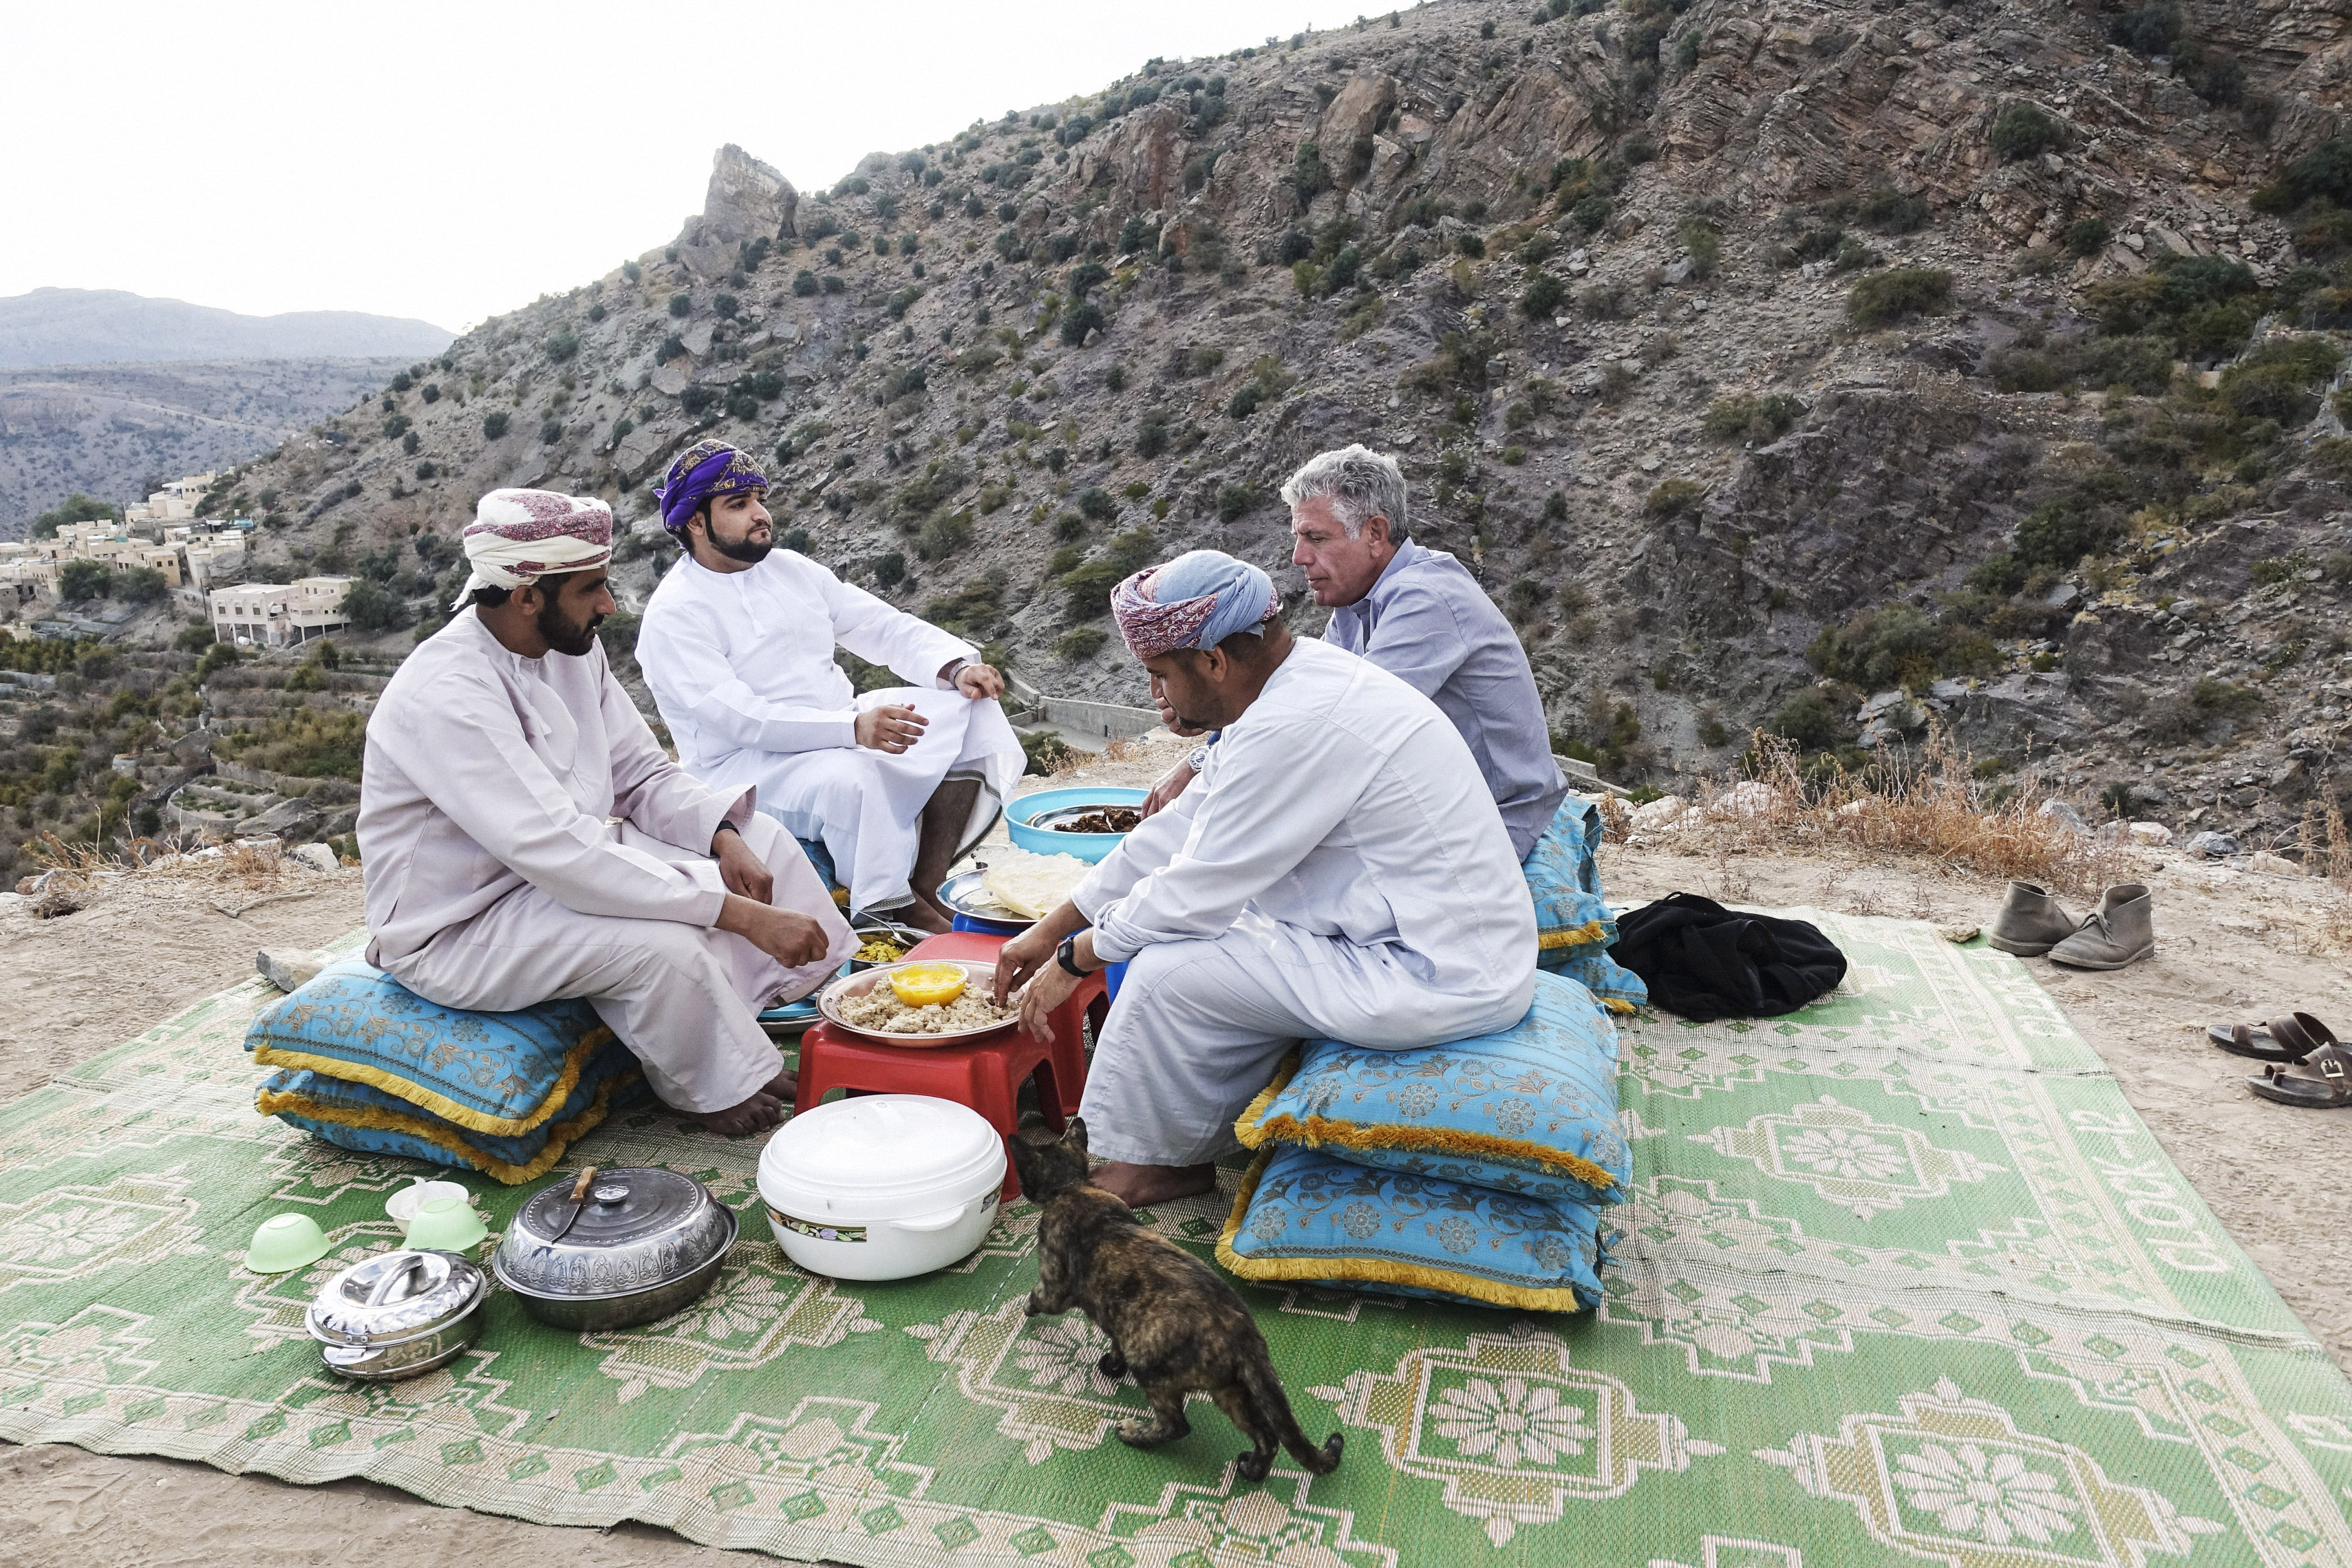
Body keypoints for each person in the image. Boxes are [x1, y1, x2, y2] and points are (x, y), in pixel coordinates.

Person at [994, 550, 1537, 1206]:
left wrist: (1073, 959)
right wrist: (1050, 928)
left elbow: (1193, 891)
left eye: (1160, 675)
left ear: (1213, 662)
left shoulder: (1294, 722)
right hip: (1422, 938)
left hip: (1437, 972)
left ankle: (1159, 1163)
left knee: (1166, 971)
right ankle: (1180, 1138)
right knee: (1184, 934)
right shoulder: (1294, 683)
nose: (1156, 695)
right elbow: (1175, 833)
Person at [359, 487, 854, 1137]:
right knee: (663, 946)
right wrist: (737, 913)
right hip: (461, 924)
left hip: (557, 874)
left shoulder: (571, 650)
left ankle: (757, 1016)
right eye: (591, 588)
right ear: (527, 596)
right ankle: (706, 1088)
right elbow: (562, 854)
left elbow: (641, 774)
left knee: (764, 841)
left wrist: (723, 834)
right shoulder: (447, 693)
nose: (609, 605)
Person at [634, 440, 1025, 932]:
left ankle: (925, 885)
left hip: (841, 726)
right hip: (744, 766)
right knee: (854, 780)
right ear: (695, 522)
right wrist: (852, 728)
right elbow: (743, 719)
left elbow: (878, 625)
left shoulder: (789, 569)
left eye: (759, 500)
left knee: (970, 710)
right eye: (738, 504)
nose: (760, 515)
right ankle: (885, 910)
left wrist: (954, 668)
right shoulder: (673, 613)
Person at [1142, 444, 1566, 860]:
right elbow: (1295, 698)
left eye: (1316, 538)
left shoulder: (1426, 599)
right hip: (1436, 806)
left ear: (1375, 534)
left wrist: (1200, 761)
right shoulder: (1355, 604)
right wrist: (1209, 712)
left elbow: (1338, 728)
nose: (1299, 557)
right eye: (1298, 538)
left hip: (1498, 817)